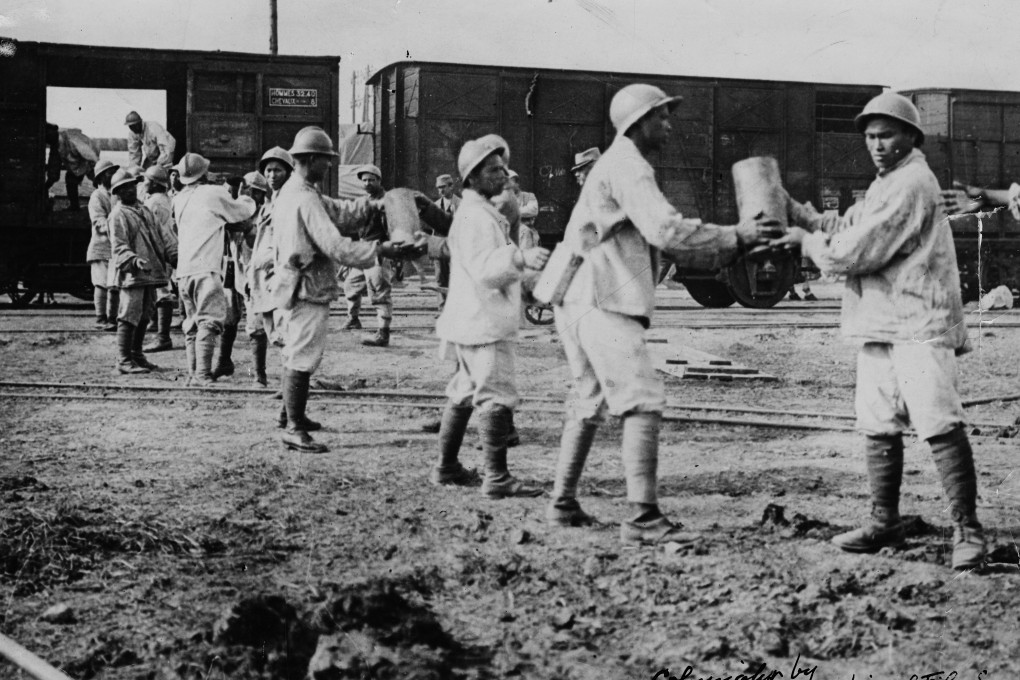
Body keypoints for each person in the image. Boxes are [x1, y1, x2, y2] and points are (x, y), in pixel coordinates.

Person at [772, 92, 985, 571]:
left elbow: (854, 249)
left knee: (938, 422)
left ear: (911, 136)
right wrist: (799, 212)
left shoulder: (913, 182)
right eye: (869, 136)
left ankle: (968, 529)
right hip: (882, 321)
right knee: (877, 421)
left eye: (886, 134)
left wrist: (807, 239)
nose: (876, 144)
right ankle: (884, 520)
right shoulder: (886, 183)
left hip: (919, 323)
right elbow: (849, 224)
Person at [547, 83, 766, 544]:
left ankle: (563, 503)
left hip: (575, 293)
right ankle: (643, 518)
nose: (668, 125)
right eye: (661, 116)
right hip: (601, 296)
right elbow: (666, 230)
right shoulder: (629, 164)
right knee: (642, 397)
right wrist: (737, 237)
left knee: (588, 398)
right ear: (638, 122)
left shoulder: (615, 162)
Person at [271, 126, 415, 453]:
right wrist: (382, 251)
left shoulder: (299, 191)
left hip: (296, 284)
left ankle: (290, 415)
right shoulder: (304, 198)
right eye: (326, 159)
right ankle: (293, 427)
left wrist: (373, 206)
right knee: (303, 356)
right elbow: (336, 246)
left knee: (296, 351)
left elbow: (339, 211)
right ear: (310, 159)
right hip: (305, 286)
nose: (331, 165)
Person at [428, 135, 551, 498]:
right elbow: (486, 270)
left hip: (470, 320)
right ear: (472, 177)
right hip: (484, 322)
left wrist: (525, 276)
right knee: (496, 395)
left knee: (463, 391)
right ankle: (496, 478)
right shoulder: (478, 217)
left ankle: (446, 466)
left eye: (502, 168)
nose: (503, 175)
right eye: (494, 170)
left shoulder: (477, 213)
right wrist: (520, 259)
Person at [172, 152, 258, 387]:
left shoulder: (179, 198)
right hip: (206, 269)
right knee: (209, 321)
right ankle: (203, 375)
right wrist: (246, 196)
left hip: (184, 270)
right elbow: (243, 212)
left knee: (191, 324)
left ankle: (193, 374)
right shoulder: (213, 193)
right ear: (204, 173)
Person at [107, 168, 178, 374]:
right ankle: (123, 359)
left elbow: (164, 236)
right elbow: (118, 246)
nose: (130, 190)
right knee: (129, 314)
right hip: (133, 275)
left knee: (145, 314)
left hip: (151, 273)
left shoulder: (144, 210)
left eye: (131, 186)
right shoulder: (118, 215)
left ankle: (137, 355)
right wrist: (133, 259)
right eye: (124, 188)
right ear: (117, 193)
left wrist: (174, 255)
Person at [248, 147, 293, 394]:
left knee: (285, 332)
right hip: (263, 276)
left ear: (288, 172)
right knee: (270, 330)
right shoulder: (269, 203)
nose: (273, 175)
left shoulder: (289, 200)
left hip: (279, 274)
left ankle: (291, 389)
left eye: (278, 170)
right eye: (268, 170)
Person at [342, 164, 395, 347]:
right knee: (351, 285)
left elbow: (393, 229)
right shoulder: (364, 201)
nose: (367, 183)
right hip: (362, 248)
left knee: (379, 291)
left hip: (378, 248)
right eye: (364, 180)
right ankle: (353, 319)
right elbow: (357, 229)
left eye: (371, 180)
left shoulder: (387, 201)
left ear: (379, 181)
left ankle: (383, 333)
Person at [141, 166, 178, 352]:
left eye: (146, 180)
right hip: (165, 248)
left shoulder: (154, 203)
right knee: (159, 289)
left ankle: (163, 337)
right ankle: (156, 324)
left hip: (159, 249)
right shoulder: (164, 199)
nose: (143, 183)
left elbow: (153, 230)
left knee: (163, 291)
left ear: (154, 184)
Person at [87, 159, 121, 330]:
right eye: (110, 172)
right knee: (101, 282)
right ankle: (101, 318)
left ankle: (111, 318)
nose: (113, 174)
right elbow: (98, 222)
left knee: (113, 283)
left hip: (114, 247)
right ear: (100, 177)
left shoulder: (115, 194)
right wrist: (117, 226)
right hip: (101, 246)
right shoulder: (97, 196)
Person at [45, 126, 101, 212]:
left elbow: (91, 155)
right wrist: (45, 187)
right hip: (76, 166)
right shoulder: (55, 146)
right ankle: (74, 206)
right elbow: (54, 171)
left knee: (99, 181)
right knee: (70, 180)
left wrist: (97, 167)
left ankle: (109, 201)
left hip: (88, 161)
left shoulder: (73, 140)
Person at [432, 173, 460, 290]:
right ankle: (442, 307)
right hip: (440, 247)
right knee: (440, 279)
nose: (441, 190)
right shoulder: (435, 205)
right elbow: (434, 228)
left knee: (456, 279)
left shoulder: (461, 204)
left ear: (451, 186)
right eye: (439, 188)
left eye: (443, 187)